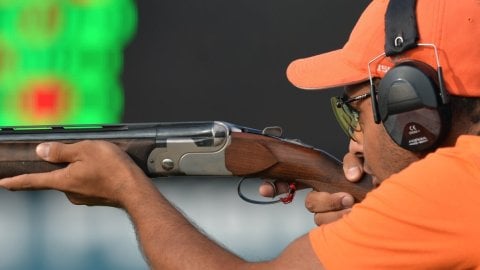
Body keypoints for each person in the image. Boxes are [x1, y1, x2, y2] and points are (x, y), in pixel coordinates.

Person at [2, 0, 480, 268]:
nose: (354, 139)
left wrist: (129, 190)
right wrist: (376, 226)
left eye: (358, 107)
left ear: (410, 107)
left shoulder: (456, 188)